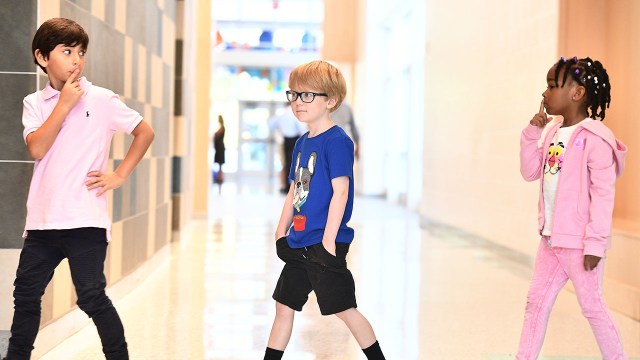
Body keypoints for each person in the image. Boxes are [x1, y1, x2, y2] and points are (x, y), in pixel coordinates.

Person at [5, 18, 154, 360]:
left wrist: (119, 175)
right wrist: (63, 106)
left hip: (85, 221)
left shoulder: (101, 99)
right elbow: (37, 149)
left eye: (81, 53)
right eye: (67, 51)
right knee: (26, 296)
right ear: (42, 57)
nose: (76, 60)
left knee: (90, 296)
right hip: (43, 223)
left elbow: (144, 132)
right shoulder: (33, 103)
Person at [264, 60, 385, 360]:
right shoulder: (302, 143)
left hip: (323, 244)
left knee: (345, 310)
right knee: (284, 306)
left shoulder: (338, 141)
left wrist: (329, 241)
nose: (297, 102)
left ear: (330, 100)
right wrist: (281, 231)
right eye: (294, 94)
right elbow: (295, 189)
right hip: (299, 242)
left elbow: (341, 191)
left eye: (307, 95)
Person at [517, 56, 627, 359]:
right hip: (551, 239)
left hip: (581, 244)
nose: (545, 93)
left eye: (553, 86)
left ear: (577, 94)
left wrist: (596, 243)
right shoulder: (552, 131)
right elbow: (530, 172)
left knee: (592, 308)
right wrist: (531, 135)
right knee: (535, 303)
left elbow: (603, 194)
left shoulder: (596, 139)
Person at [268, 102, 307, 193]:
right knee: (297, 163)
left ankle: (286, 186)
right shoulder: (296, 114)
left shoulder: (281, 115)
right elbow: (302, 129)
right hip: (296, 140)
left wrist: (279, 130)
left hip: (285, 140)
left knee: (286, 163)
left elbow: (271, 124)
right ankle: (295, 187)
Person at [213, 114, 225, 184]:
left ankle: (220, 179)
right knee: (219, 165)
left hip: (220, 148)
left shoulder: (222, 128)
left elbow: (216, 135)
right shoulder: (221, 127)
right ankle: (219, 178)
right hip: (218, 147)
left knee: (220, 165)